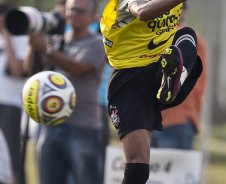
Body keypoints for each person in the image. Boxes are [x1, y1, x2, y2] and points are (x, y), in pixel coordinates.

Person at [100, 0, 203, 183]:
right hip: (129, 82)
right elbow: (142, 11)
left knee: (187, 36)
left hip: (158, 71)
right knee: (138, 170)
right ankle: (172, 79)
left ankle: (173, 80)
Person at [24, 0, 106, 183]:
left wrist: (45, 49)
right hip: (51, 125)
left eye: (80, 11)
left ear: (93, 17)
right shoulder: (56, 42)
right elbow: (30, 71)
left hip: (83, 127)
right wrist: (33, 43)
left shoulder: (97, 44)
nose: (73, 14)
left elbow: (78, 68)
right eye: (70, 10)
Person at [151, 1, 208, 150]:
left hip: (177, 120)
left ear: (184, 12)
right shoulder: (151, 36)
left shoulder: (189, 38)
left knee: (175, 173)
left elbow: (196, 81)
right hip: (149, 118)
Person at [0, 3, 28, 183]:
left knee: (12, 157)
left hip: (10, 104)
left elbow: (18, 70)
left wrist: (7, 36)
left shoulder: (20, 39)